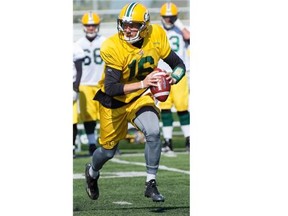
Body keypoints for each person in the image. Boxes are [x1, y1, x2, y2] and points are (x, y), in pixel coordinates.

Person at [84, 2, 186, 202]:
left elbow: (179, 65)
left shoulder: (155, 35)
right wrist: (143, 82)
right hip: (113, 102)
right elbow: (111, 88)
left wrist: (174, 77)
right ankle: (92, 171)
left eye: (134, 25)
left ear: (145, 26)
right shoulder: (113, 45)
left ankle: (151, 182)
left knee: (153, 132)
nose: (128, 29)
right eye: (124, 24)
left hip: (139, 98)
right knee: (107, 150)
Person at [158, 2, 191, 153]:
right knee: (164, 108)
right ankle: (168, 141)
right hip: (163, 73)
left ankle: (189, 139)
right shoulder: (158, 31)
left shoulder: (182, 30)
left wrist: (177, 22)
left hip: (179, 73)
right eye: (166, 17)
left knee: (182, 107)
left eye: (171, 17)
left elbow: (188, 36)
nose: (168, 20)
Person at [75, 12, 106, 155]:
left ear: (98, 25)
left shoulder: (105, 41)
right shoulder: (78, 44)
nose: (91, 28)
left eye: (93, 25)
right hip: (85, 84)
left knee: (106, 115)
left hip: (102, 83)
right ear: (83, 26)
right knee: (89, 117)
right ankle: (92, 144)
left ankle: (109, 143)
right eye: (88, 25)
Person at [73, 43, 84, 158]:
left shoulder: (74, 48)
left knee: (72, 121)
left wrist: (76, 86)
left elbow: (79, 70)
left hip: (70, 86)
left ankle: (71, 147)